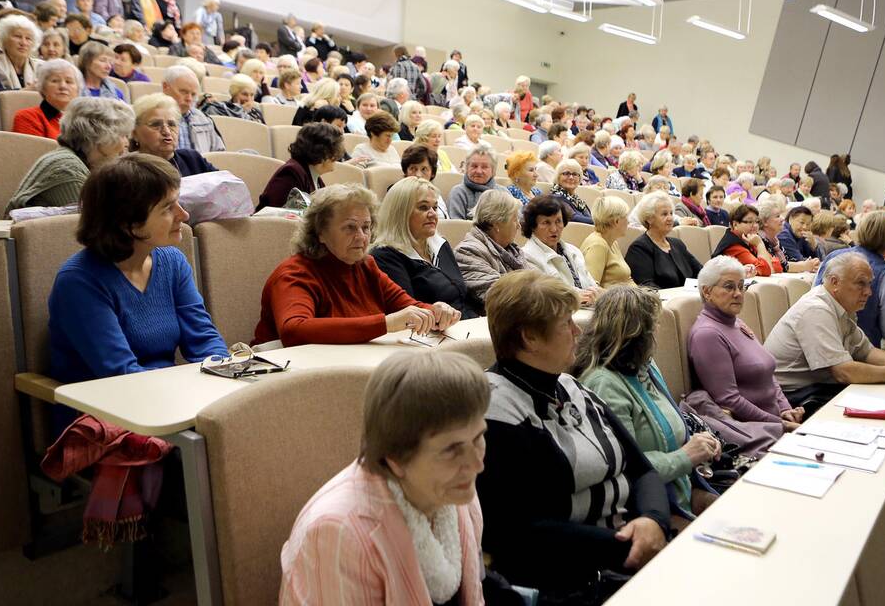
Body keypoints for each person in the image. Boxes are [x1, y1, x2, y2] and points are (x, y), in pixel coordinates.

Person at [477, 271, 670, 598]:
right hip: (571, 579)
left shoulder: (569, 384)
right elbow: (514, 530)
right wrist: (629, 544)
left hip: (627, 552)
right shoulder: (493, 409)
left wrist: (654, 520)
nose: (577, 331)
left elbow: (640, 469)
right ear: (530, 338)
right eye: (566, 323)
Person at [280, 350, 488, 606]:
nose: (476, 465)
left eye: (478, 439)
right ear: (395, 459)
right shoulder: (341, 533)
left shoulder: (457, 489)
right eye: (450, 450)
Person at [48, 151, 226, 398]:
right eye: (167, 208)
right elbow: (122, 375)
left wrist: (227, 374)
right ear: (127, 222)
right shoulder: (79, 282)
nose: (183, 215)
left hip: (165, 397)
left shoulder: (172, 261)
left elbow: (204, 340)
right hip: (108, 415)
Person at [577, 286, 720, 525]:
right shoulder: (603, 384)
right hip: (644, 511)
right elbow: (624, 467)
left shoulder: (646, 366)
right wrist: (686, 456)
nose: (656, 333)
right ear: (638, 335)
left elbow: (669, 430)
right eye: (652, 327)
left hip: (679, 492)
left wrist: (700, 442)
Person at [254, 184, 460, 346]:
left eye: (366, 227)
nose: (362, 237)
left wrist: (435, 311)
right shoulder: (295, 273)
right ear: (320, 233)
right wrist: (386, 323)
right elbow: (294, 329)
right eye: (350, 228)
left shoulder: (365, 265)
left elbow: (406, 305)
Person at [766, 252, 885, 412]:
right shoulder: (815, 309)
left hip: (815, 389)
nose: (869, 292)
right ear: (835, 282)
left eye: (869, 284)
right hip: (792, 399)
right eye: (861, 283)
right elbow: (843, 372)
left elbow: (867, 352)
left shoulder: (841, 306)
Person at [688, 256, 802, 441]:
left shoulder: (736, 323)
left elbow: (768, 374)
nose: (738, 293)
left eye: (741, 286)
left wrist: (786, 409)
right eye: (729, 286)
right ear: (707, 291)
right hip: (755, 432)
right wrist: (779, 423)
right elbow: (729, 401)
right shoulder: (707, 334)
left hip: (775, 423)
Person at [6, 98, 133, 216]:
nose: (127, 143)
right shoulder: (67, 168)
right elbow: (94, 225)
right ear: (102, 136)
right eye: (123, 135)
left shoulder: (82, 162)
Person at [371, 177, 476, 317]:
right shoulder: (385, 255)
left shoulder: (440, 244)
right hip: (430, 334)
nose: (433, 214)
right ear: (400, 213)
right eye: (423, 207)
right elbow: (407, 314)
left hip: (466, 326)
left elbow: (462, 296)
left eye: (435, 207)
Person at [814, 210, 885, 348]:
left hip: (821, 341)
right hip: (860, 353)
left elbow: (814, 297)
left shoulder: (832, 257)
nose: (867, 291)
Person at [452, 189, 529, 311]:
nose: (519, 226)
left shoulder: (513, 251)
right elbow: (500, 295)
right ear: (497, 223)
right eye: (514, 219)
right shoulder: (467, 252)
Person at [521, 195, 600, 304]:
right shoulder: (527, 256)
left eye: (558, 221)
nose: (554, 229)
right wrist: (574, 297)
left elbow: (592, 285)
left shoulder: (574, 251)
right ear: (533, 227)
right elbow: (542, 299)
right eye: (546, 223)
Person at [257, 121, 344, 210]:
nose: (337, 156)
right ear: (324, 152)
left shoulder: (315, 177)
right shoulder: (291, 172)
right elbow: (275, 212)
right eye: (336, 150)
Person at [626, 192, 702, 289]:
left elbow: (700, 271)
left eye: (671, 213)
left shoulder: (678, 244)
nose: (670, 218)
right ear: (649, 218)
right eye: (664, 214)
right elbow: (647, 286)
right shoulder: (639, 248)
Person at [129, 93, 216, 178]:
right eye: (155, 124)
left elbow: (225, 186)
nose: (167, 132)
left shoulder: (192, 159)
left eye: (172, 124)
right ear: (135, 133)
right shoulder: (128, 170)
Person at [162, 65, 225, 153]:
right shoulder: (148, 116)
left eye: (193, 94)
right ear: (165, 87)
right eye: (183, 92)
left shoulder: (204, 120)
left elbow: (218, 155)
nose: (189, 99)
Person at [12, 59, 81, 139]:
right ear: (43, 87)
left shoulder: (84, 119)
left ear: (78, 89)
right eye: (55, 81)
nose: (63, 86)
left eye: (69, 81)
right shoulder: (27, 117)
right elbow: (31, 151)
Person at [0, 13, 40, 92]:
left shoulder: (41, 67)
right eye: (18, 36)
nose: (23, 43)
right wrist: (25, 91)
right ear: (4, 39)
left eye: (28, 38)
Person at [581, 196, 634, 287]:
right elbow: (591, 289)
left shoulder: (612, 242)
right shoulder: (598, 245)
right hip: (612, 300)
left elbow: (627, 279)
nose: (628, 222)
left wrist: (643, 295)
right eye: (626, 217)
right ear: (616, 221)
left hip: (626, 297)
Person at [712, 204, 775, 276]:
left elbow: (778, 265)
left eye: (757, 222)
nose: (755, 226)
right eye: (750, 221)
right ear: (735, 224)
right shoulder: (733, 246)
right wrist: (759, 244)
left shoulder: (749, 240)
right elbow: (766, 270)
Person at [447, 145, 499, 220]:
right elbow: (456, 228)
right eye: (474, 166)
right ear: (467, 168)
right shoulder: (458, 193)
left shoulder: (504, 193)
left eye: (484, 167)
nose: (478, 171)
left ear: (493, 171)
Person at [399, 143, 449, 219]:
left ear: (432, 173)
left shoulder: (436, 194)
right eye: (413, 169)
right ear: (406, 171)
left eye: (424, 169)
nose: (418, 175)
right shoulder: (398, 194)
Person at [776, 205, 821, 270]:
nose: (805, 227)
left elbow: (817, 260)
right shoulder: (783, 234)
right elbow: (799, 260)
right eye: (802, 223)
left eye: (808, 224)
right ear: (790, 219)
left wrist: (814, 246)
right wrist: (812, 263)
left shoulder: (803, 234)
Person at [550, 160, 593, 224]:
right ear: (558, 177)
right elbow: (573, 218)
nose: (571, 177)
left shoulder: (577, 200)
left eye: (575, 174)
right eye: (566, 173)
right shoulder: (556, 198)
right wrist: (601, 222)